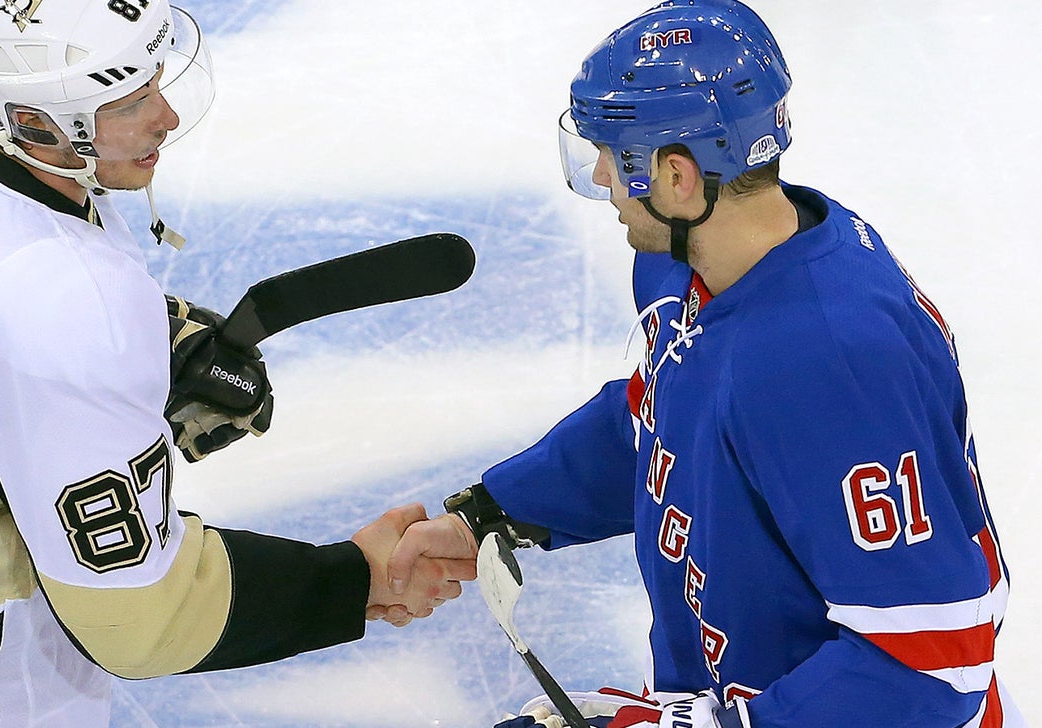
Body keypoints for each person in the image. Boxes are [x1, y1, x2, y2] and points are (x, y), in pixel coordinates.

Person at [0, 1, 468, 725]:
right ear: (36, 124)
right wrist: (353, 578)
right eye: (129, 102)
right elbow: (140, 616)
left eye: (156, 78)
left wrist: (138, 354)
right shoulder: (60, 310)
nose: (167, 116)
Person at [387, 1, 1025, 726]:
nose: (599, 176)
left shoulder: (834, 362)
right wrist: (494, 513)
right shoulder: (689, 265)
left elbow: (931, 660)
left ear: (679, 177)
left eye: (612, 151)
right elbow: (661, 413)